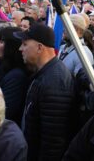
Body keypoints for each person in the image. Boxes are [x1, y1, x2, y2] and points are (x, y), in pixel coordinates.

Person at [15, 23, 78, 161]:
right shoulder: (45, 73)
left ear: (39, 47)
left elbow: (53, 142)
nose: (20, 49)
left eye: (25, 44)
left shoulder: (55, 82)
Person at [0, 27, 29, 126]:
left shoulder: (17, 76)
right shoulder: (3, 68)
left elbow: (5, 111)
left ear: (12, 46)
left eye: (1, 42)